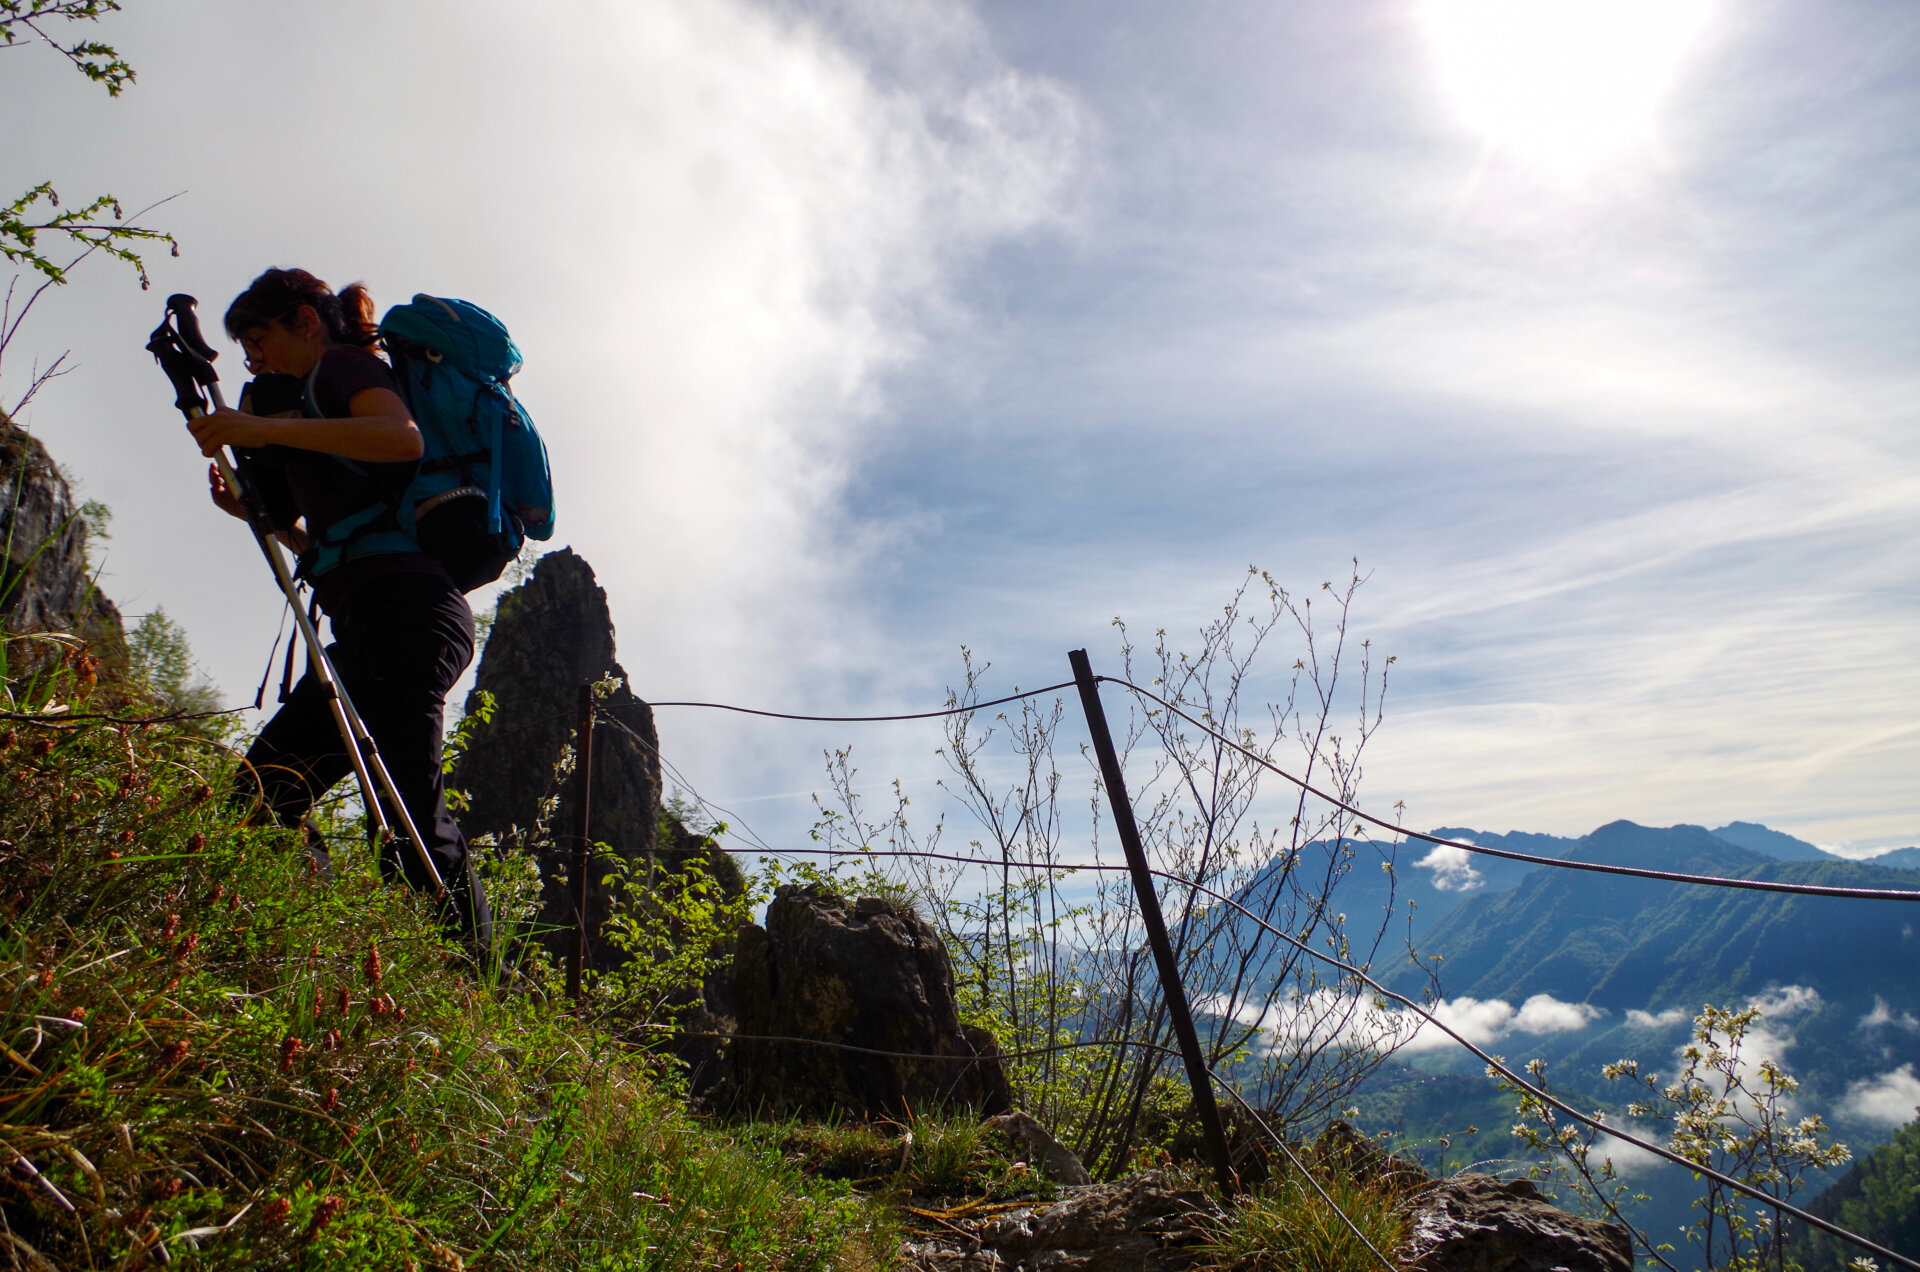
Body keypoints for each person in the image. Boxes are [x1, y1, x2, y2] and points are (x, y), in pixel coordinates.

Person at [188, 267, 492, 957]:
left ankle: (469, 977)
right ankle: (280, 937)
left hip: (405, 615)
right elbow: (344, 540)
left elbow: (401, 438)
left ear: (304, 320)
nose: (254, 360)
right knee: (270, 791)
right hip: (383, 617)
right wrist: (262, 515)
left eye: (258, 339)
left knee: (402, 806)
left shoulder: (341, 368)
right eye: (243, 350)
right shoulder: (307, 401)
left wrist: (257, 424)